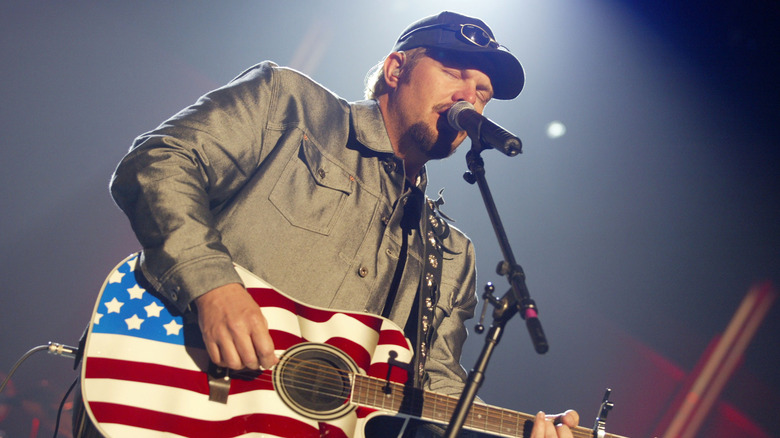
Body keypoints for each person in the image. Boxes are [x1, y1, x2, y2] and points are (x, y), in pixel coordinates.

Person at [105, 10, 578, 437]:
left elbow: (435, 412)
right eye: (454, 73)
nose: (468, 98)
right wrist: (211, 286)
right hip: (172, 396)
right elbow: (157, 162)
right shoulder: (289, 103)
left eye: (483, 92)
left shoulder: (451, 255)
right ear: (397, 69)